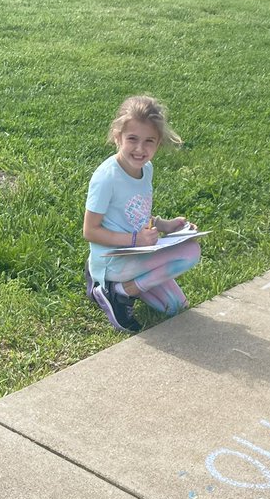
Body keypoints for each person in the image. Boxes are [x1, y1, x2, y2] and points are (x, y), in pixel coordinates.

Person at [83, 96, 200, 334]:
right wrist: (136, 240)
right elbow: (90, 230)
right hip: (113, 259)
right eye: (132, 139)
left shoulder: (146, 170)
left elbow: (136, 213)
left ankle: (124, 286)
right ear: (118, 137)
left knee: (175, 306)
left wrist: (166, 226)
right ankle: (119, 292)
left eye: (149, 141)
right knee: (191, 251)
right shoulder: (107, 177)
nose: (140, 149)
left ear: (158, 144)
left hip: (137, 254)